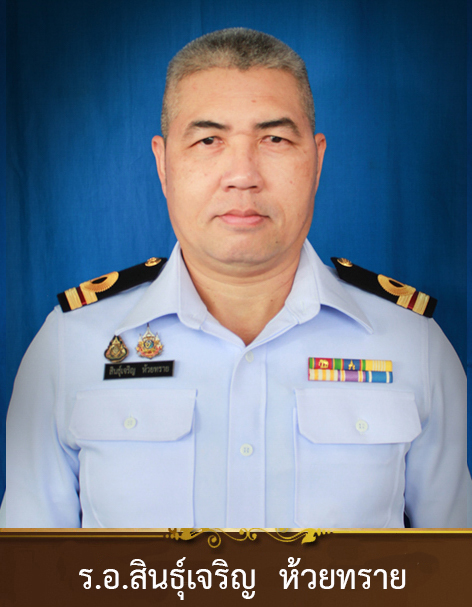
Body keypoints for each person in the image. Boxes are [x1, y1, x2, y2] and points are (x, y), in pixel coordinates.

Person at [1, 28, 470, 528]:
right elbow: (30, 568)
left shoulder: (412, 344)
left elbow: (452, 565)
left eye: (274, 139)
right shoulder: (70, 345)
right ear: (163, 164)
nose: (243, 175)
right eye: (209, 140)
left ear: (316, 161)